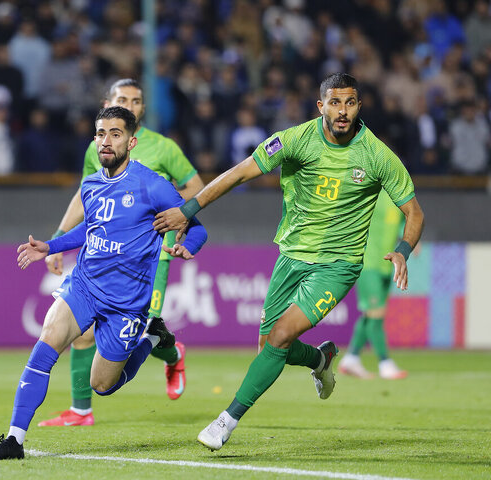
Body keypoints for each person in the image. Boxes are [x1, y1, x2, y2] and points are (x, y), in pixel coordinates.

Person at [153, 73, 425, 451]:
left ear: (359, 106)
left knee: (279, 337)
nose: (342, 111)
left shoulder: (377, 155)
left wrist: (404, 250)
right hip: (291, 256)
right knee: (269, 344)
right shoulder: (296, 140)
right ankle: (321, 357)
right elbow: (238, 173)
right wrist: (188, 210)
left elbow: (414, 213)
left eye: (349, 102)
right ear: (321, 106)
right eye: (335, 102)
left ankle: (225, 421)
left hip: (338, 264)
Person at [0, 106, 208, 460]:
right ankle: (14, 439)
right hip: (84, 286)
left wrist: (185, 246)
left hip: (127, 303)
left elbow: (197, 227)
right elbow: (91, 229)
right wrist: (50, 246)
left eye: (115, 134)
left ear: (131, 142)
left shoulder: (152, 185)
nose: (106, 141)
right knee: (46, 343)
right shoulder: (90, 184)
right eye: (101, 133)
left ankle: (152, 337)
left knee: (102, 385)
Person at [40, 78, 205, 427]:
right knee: (82, 332)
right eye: (122, 99)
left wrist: (173, 213)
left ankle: (172, 352)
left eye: (136, 100)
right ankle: (82, 409)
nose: (129, 105)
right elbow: (85, 197)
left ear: (143, 108)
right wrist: (57, 236)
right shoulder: (98, 146)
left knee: (150, 324)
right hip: (102, 257)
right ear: (107, 103)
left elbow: (197, 190)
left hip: (150, 256)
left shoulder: (164, 148)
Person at [338, 190, 408, 379]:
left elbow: (405, 221)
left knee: (372, 314)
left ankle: (351, 358)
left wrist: (410, 241)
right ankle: (385, 363)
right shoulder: (370, 191)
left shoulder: (399, 194)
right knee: (376, 313)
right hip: (368, 263)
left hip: (388, 265)